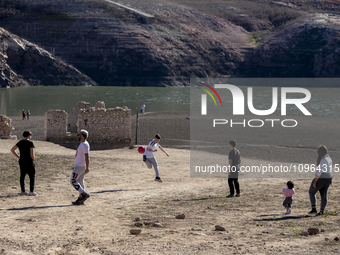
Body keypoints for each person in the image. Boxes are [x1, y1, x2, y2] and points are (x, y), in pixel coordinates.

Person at [10, 130, 37, 196]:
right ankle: (31, 191)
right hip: (29, 161)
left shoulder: (20, 142)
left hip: (22, 160)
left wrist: (18, 157)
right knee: (32, 175)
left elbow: (12, 150)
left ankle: (23, 191)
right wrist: (33, 159)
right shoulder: (30, 143)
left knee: (22, 175)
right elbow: (32, 154)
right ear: (29, 135)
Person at [308, 145, 332, 215]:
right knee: (324, 195)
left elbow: (319, 172)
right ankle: (321, 211)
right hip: (329, 178)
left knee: (311, 192)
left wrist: (315, 181)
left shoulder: (322, 159)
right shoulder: (329, 158)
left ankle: (313, 208)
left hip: (322, 178)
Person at [71, 129, 91, 205]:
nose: (78, 136)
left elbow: (87, 156)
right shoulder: (83, 144)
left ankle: (83, 194)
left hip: (80, 166)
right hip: (79, 166)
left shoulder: (84, 144)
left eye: (79, 134)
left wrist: (87, 167)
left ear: (82, 135)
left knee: (73, 181)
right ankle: (81, 198)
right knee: (80, 181)